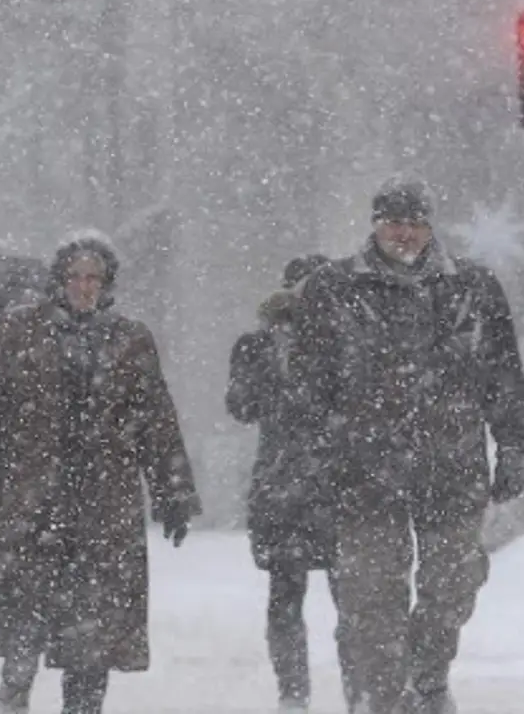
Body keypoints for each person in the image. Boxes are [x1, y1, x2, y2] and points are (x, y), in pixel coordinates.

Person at [0, 231, 202, 714]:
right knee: (22, 630)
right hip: (28, 502)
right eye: (75, 276)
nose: (84, 286)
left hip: (103, 510)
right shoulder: (16, 331)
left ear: (107, 282)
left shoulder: (130, 339)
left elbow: (156, 421)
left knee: (92, 637)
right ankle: (12, 703)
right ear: (58, 280)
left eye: (94, 277)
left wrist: (173, 491)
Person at [293, 179, 524, 714]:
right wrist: (313, 463)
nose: (403, 233)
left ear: (430, 225)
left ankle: (426, 678)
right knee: (371, 601)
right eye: (393, 221)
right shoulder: (332, 288)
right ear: (375, 223)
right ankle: (380, 699)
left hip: (451, 465)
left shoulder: (473, 288)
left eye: (414, 222)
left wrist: (514, 443)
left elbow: (502, 376)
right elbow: (309, 390)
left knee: (452, 586)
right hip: (363, 472)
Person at [225, 255, 346, 714]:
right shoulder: (256, 347)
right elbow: (241, 405)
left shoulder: (346, 345)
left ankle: (361, 689)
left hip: (336, 486)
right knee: (285, 595)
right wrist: (273, 348)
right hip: (282, 487)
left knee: (352, 600)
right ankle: (292, 695)